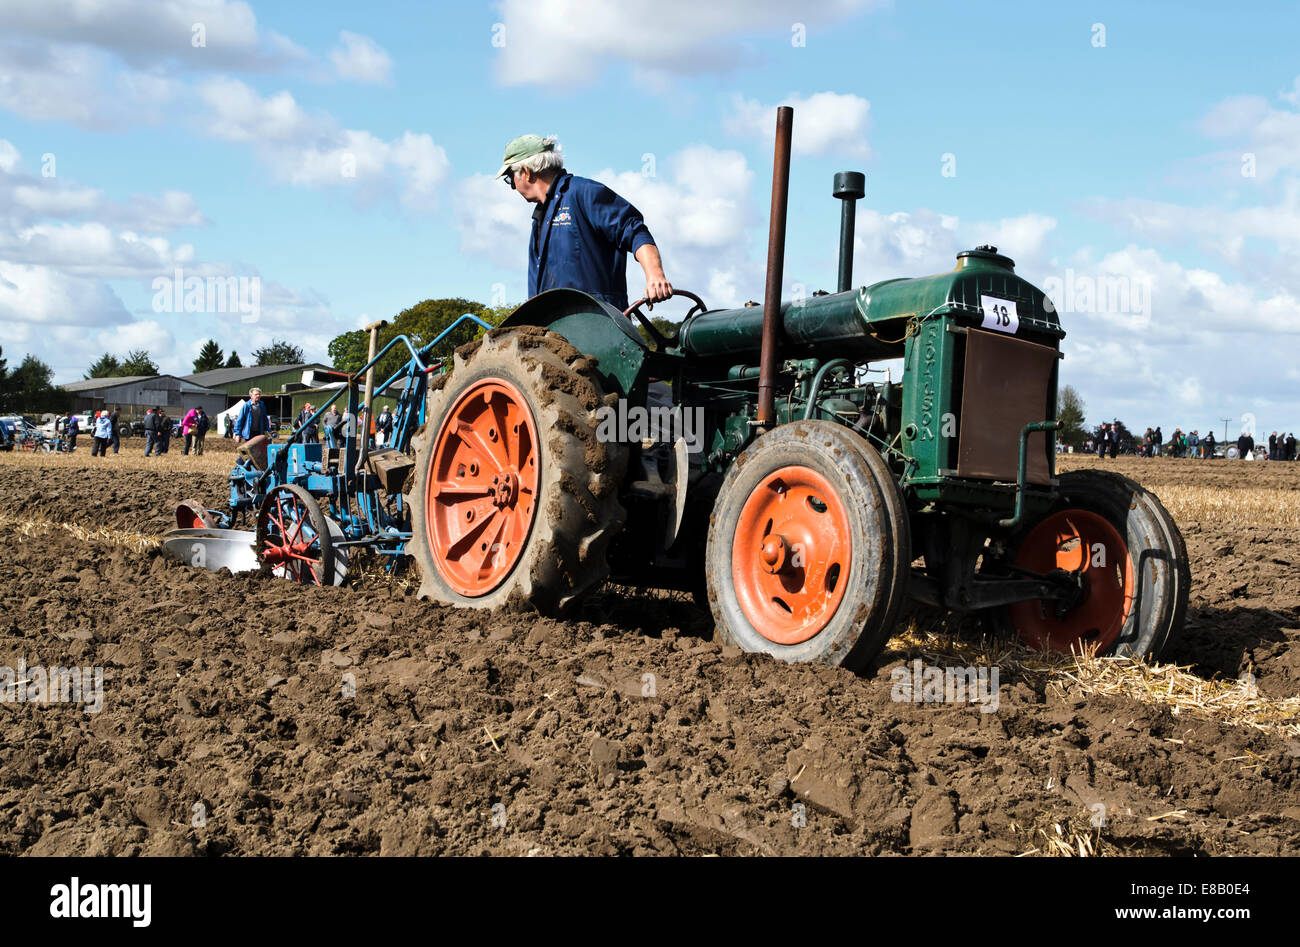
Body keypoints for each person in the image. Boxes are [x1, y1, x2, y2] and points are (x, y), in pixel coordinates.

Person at [496, 134, 672, 311]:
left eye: (510, 178)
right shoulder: (540, 218)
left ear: (525, 172)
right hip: (554, 329)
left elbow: (634, 231)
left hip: (599, 324)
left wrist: (655, 276)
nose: (512, 186)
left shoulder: (583, 193)